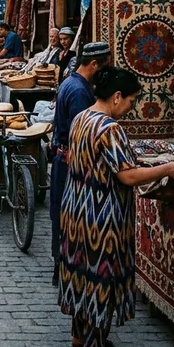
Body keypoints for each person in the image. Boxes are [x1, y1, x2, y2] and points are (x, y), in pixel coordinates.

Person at [59, 66, 174, 347]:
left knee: (82, 271)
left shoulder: (82, 118)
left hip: (77, 207)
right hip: (102, 214)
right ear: (116, 97)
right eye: (130, 100)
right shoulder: (109, 128)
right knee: (102, 276)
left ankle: (80, 334)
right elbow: (127, 176)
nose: (131, 107)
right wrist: (166, 169)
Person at [50, 41, 111, 286]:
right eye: (104, 65)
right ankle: (65, 267)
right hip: (71, 161)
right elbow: (81, 133)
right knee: (70, 215)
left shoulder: (72, 83)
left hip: (64, 159)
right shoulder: (78, 92)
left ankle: (61, 266)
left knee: (62, 214)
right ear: (94, 64)